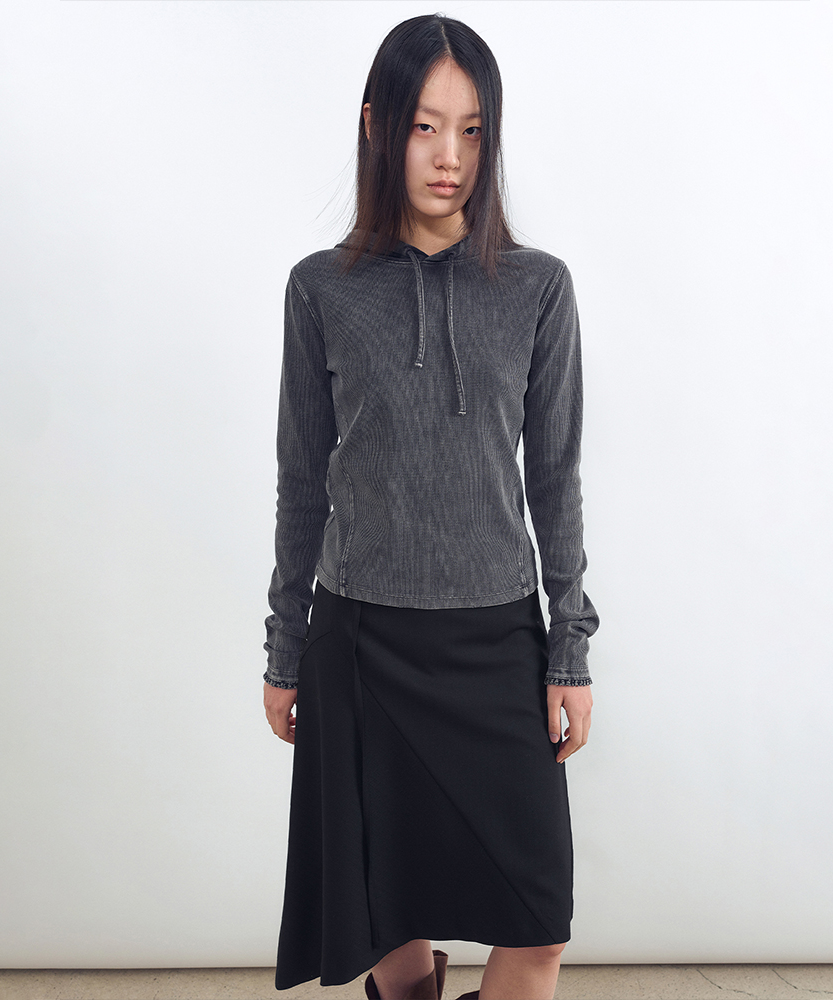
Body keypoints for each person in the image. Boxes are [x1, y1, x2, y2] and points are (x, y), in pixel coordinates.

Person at [262, 13, 598, 1000]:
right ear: (378, 125)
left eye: (472, 129)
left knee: (536, 927)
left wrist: (568, 649)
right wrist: (284, 649)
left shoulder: (538, 289)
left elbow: (556, 479)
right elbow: (300, 484)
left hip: (496, 645)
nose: (450, 156)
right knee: (391, 927)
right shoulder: (320, 291)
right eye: (424, 126)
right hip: (362, 648)